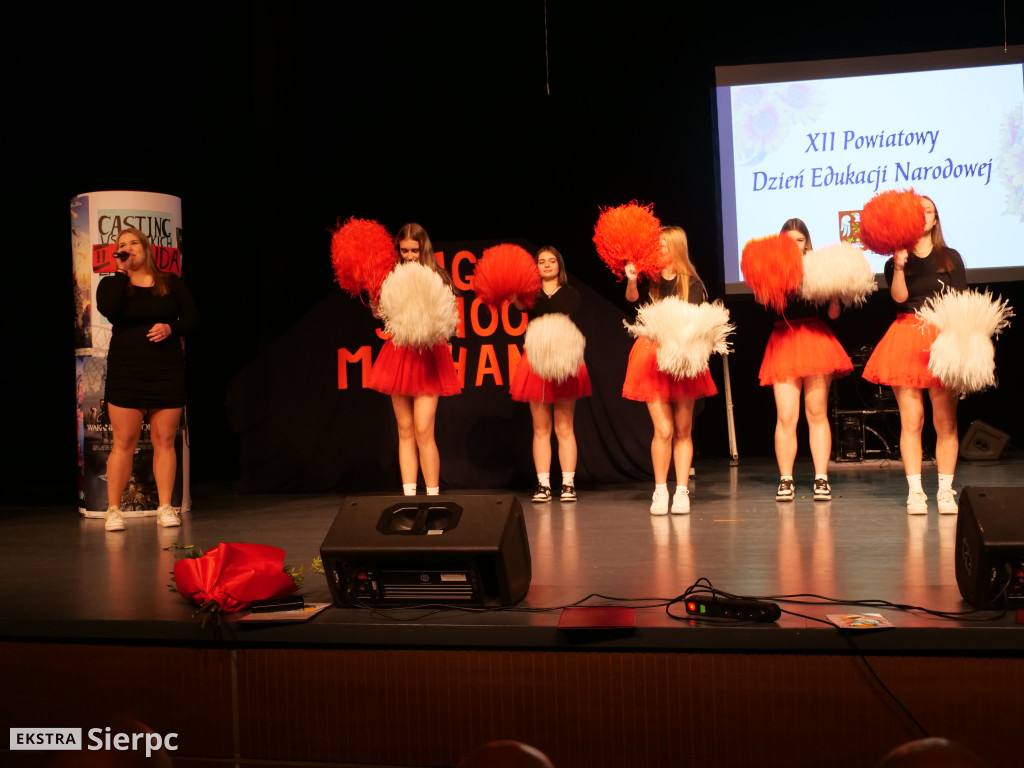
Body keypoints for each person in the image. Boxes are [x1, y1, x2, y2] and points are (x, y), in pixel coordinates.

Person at [863, 197, 966, 514]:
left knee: (945, 420)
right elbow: (899, 299)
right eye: (916, 211)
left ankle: (945, 491)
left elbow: (961, 302)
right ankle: (916, 492)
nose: (922, 215)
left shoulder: (950, 257)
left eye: (928, 211)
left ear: (935, 220)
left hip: (943, 338)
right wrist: (898, 266)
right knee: (912, 420)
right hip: (906, 335)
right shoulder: (896, 259)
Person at [96, 228, 198, 532]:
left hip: (166, 372)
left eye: (133, 243)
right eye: (122, 244)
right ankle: (113, 510)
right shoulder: (112, 284)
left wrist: (171, 328)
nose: (127, 247)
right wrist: (121, 272)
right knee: (123, 443)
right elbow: (108, 309)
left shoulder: (170, 282)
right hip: (126, 372)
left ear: (146, 248)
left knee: (165, 441)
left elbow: (193, 318)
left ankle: (165, 507)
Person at [623, 226, 715, 515]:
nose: (658, 249)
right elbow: (632, 300)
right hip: (652, 358)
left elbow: (693, 323)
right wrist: (632, 280)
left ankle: (682, 491)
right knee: (663, 430)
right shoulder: (649, 279)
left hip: (682, 359)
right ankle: (660, 490)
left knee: (683, 430)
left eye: (663, 245)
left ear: (676, 248)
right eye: (656, 245)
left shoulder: (693, 283)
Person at [759, 218, 852, 503]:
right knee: (786, 416)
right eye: (789, 240)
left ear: (807, 243)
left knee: (817, 413)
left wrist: (834, 293)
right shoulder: (772, 270)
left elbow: (833, 314)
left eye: (799, 240)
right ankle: (785, 479)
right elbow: (766, 305)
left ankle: (821, 478)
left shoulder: (819, 268)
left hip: (814, 341)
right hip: (784, 342)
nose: (795, 245)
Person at [367, 223, 460, 496]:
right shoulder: (392, 277)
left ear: (424, 249)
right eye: (404, 250)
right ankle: (409, 496)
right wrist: (374, 296)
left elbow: (449, 320)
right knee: (405, 429)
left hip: (429, 355)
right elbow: (380, 315)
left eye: (414, 250)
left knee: (423, 429)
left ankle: (432, 497)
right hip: (399, 354)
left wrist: (439, 334)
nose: (409, 256)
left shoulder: (438, 276)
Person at [510, 246, 592, 503]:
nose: (546, 265)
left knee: (564, 426)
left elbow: (565, 312)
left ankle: (568, 484)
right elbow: (519, 305)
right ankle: (543, 484)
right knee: (541, 427)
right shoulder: (529, 294)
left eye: (551, 261)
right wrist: (514, 291)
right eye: (541, 261)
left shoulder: (571, 293)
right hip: (536, 361)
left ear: (559, 265)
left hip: (564, 361)